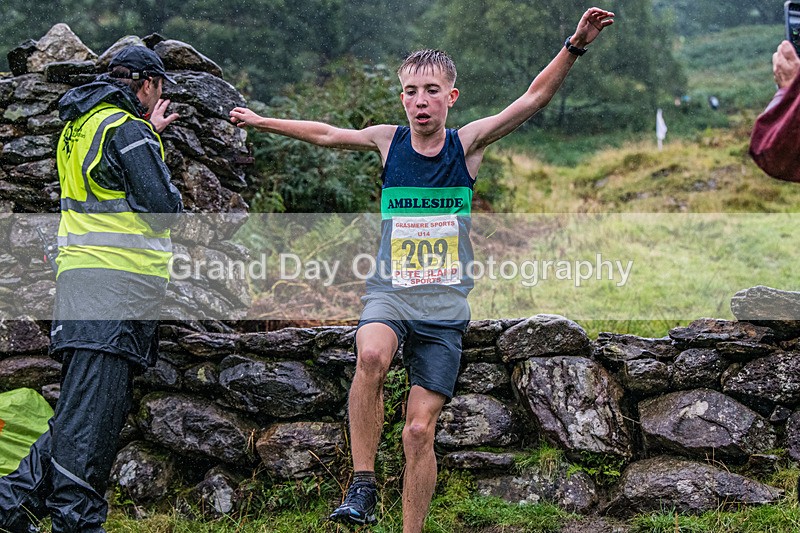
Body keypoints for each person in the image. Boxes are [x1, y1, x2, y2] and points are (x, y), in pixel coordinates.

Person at [230, 8, 614, 532]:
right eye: (410, 91)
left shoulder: (467, 145)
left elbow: (532, 99)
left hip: (443, 306)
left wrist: (575, 44)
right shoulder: (388, 142)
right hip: (391, 291)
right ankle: (362, 484)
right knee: (370, 354)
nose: (419, 101)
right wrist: (259, 121)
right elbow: (325, 134)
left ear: (450, 97)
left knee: (417, 432)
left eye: (431, 90)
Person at [0, 46, 183, 532]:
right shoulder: (127, 130)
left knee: (82, 408)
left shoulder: (79, 127)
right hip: (115, 288)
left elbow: (104, 185)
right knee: (92, 423)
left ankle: (10, 504)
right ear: (145, 83)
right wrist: (148, 140)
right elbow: (163, 208)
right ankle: (76, 522)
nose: (157, 97)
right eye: (159, 88)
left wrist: (148, 138)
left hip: (83, 283)